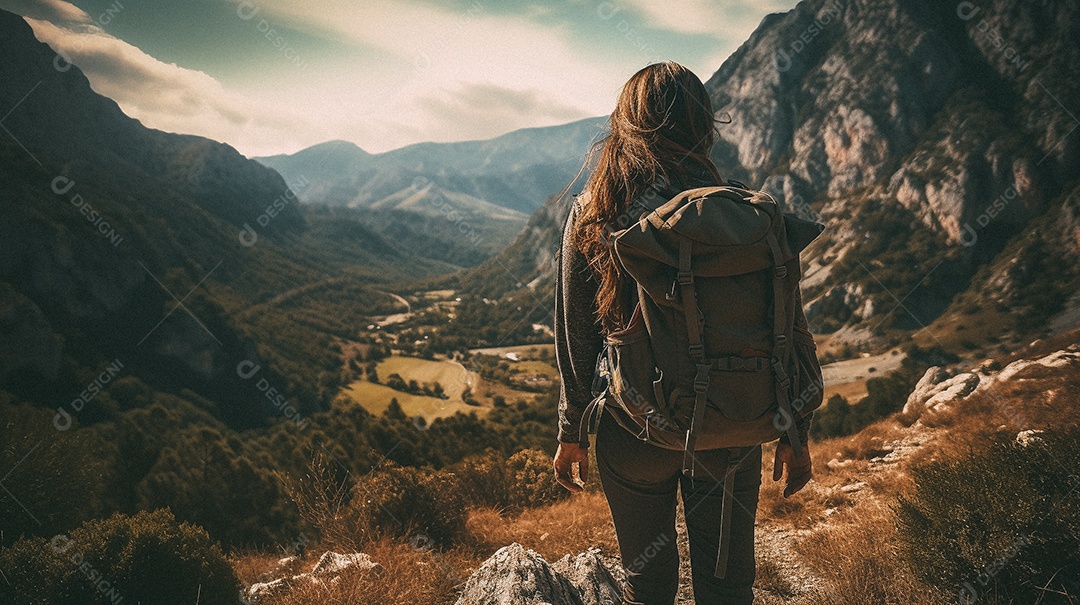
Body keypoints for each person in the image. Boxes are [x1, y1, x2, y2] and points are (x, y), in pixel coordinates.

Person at [552, 62, 814, 605]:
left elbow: (577, 333)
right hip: (729, 424)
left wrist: (572, 429)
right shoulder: (741, 213)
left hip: (636, 426)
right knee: (727, 583)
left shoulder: (597, 211)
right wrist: (795, 430)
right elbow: (788, 327)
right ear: (704, 125)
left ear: (627, 125)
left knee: (649, 585)